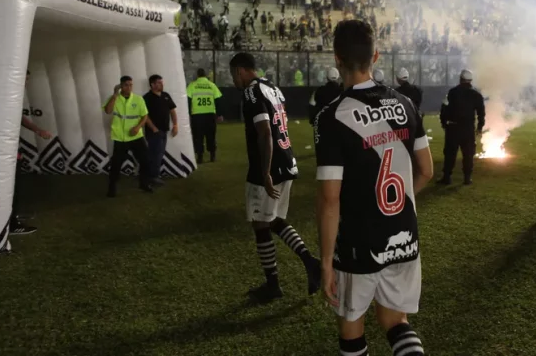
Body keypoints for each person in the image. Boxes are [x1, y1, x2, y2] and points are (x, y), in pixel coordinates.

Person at [315, 20, 434, 356]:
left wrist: (325, 261)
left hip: (357, 241)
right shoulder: (406, 105)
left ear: (336, 58)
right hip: (403, 233)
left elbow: (329, 199)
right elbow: (426, 170)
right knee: (396, 320)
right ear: (376, 56)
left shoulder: (332, 116)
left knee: (352, 326)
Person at [229, 52, 321, 303]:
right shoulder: (273, 88)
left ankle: (275, 283)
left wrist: (265, 172)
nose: (234, 80)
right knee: (274, 220)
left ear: (239, 70)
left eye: (233, 74)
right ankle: (309, 263)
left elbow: (265, 133)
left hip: (269, 164)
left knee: (260, 222)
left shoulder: (251, 92)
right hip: (287, 160)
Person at [13, 70, 52, 235]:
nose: (26, 83)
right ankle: (11, 224)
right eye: (24, 79)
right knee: (12, 186)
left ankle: (11, 216)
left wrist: (37, 130)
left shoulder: (14, 95)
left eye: (27, 80)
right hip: (4, 151)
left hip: (10, 147)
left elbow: (18, 119)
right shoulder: (7, 95)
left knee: (16, 185)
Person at [103, 76, 152, 198]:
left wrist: (138, 127)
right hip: (120, 138)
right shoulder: (115, 99)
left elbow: (144, 116)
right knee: (116, 165)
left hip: (136, 137)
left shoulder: (138, 99)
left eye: (131, 85)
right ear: (121, 86)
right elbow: (108, 111)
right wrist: (114, 94)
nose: (129, 87)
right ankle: (112, 188)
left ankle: (144, 184)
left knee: (145, 161)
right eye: (126, 85)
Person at [437, 69, 485, 186]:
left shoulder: (452, 92)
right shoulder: (476, 94)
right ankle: (467, 178)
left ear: (460, 78)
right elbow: (481, 112)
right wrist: (479, 127)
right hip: (468, 129)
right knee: (468, 154)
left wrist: (443, 122)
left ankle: (447, 177)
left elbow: (444, 108)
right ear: (470, 80)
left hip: (453, 128)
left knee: (450, 154)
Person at [143, 74, 178, 186]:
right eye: (158, 82)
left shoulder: (166, 96)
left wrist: (175, 125)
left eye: (162, 82)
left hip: (164, 130)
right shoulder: (146, 98)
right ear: (152, 84)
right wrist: (153, 128)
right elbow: (144, 116)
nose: (161, 84)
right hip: (153, 132)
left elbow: (172, 111)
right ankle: (153, 177)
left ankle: (152, 176)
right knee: (155, 154)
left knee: (159, 153)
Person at [186, 69, 223, 163]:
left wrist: (188, 114)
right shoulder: (212, 85)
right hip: (210, 115)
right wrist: (219, 114)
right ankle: (212, 155)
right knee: (211, 135)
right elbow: (218, 100)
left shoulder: (192, 85)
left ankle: (200, 157)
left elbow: (188, 100)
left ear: (197, 75)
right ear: (205, 75)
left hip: (197, 115)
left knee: (198, 136)